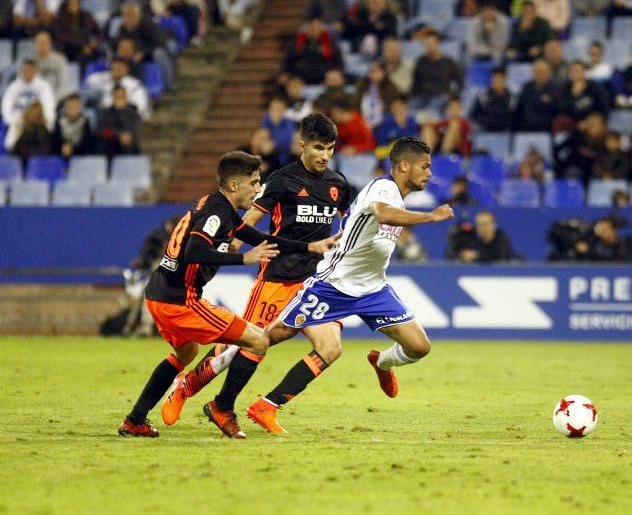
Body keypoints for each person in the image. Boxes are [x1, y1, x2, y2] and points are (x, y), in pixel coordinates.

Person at [173, 137, 454, 435]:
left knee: (419, 346)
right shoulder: (382, 188)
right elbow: (382, 213)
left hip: (373, 289)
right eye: (425, 166)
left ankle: (380, 363)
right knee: (264, 337)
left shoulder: (374, 192)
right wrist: (430, 216)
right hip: (332, 285)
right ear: (404, 166)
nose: (429, 172)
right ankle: (197, 387)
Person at [117, 151, 341, 438]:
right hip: (181, 301)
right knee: (257, 340)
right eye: (254, 182)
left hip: (159, 295)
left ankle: (135, 420)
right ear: (235, 186)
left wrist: (310, 247)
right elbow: (194, 251)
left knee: (186, 353)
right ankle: (223, 407)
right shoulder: (216, 212)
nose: (258, 189)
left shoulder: (219, 207)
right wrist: (244, 260)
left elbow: (262, 239)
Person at [158, 114, 353, 435]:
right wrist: (226, 252)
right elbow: (245, 223)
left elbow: (351, 224)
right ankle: (186, 386)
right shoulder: (281, 180)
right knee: (241, 345)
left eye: (330, 149)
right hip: (276, 280)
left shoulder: (337, 184)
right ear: (302, 144)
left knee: (330, 348)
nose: (324, 156)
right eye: (318, 148)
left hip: (314, 284)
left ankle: (267, 406)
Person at [2, 59, 56, 152]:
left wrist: (46, 121)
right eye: (26, 69)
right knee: (9, 144)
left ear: (35, 71)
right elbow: (6, 105)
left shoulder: (44, 86)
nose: (28, 72)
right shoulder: (14, 86)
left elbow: (49, 106)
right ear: (22, 71)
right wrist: (11, 120)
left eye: (31, 70)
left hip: (38, 121)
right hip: (18, 120)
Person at [51, 0, 104, 65]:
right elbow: (61, 37)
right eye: (71, 3)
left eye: (75, 2)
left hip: (85, 49)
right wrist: (82, 46)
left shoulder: (87, 17)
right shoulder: (60, 19)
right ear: (67, 5)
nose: (74, 5)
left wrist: (95, 43)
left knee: (92, 54)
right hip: (68, 49)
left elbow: (100, 33)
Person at [52, 93, 96, 158]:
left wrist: (73, 149)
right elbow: (54, 142)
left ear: (80, 107)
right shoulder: (59, 122)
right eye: (69, 106)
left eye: (75, 106)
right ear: (65, 107)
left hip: (80, 158)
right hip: (61, 156)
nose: (72, 109)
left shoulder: (85, 122)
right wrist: (62, 147)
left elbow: (88, 144)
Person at [469, 67, 513, 132]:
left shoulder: (512, 98)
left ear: (505, 80)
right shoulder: (482, 97)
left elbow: (516, 118)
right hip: (485, 131)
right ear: (491, 80)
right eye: (495, 79)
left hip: (506, 132)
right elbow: (473, 116)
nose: (497, 81)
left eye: (500, 78)